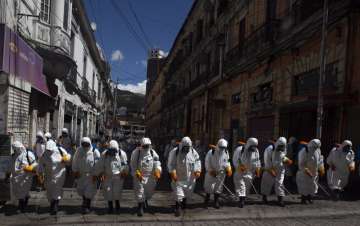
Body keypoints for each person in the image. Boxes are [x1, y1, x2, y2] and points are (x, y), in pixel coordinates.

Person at [167, 136, 201, 217]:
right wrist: (173, 172)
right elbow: (170, 164)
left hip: (190, 177)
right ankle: (177, 207)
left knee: (187, 192)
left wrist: (197, 170)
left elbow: (197, 161)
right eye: (185, 147)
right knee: (178, 194)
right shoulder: (175, 152)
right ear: (182, 145)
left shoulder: (193, 152)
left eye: (188, 147)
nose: (187, 149)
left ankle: (184, 204)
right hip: (178, 177)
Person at [37, 140, 71, 215]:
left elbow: (68, 156)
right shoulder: (45, 154)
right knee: (49, 190)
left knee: (57, 189)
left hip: (59, 174)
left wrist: (66, 158)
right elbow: (41, 164)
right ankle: (52, 202)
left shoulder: (60, 150)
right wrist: (40, 174)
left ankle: (55, 205)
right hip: (48, 175)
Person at [94, 140, 128, 214]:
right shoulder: (104, 154)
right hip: (107, 176)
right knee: (108, 192)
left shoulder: (122, 154)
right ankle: (110, 207)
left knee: (117, 191)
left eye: (114, 150)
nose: (112, 152)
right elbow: (100, 165)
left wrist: (124, 172)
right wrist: (100, 173)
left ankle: (117, 205)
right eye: (111, 150)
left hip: (118, 177)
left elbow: (125, 164)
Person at [130, 137, 161, 217]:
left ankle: (145, 201)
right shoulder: (137, 152)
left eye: (147, 145)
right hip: (139, 176)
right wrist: (136, 172)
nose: (146, 147)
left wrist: (157, 170)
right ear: (141, 145)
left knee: (149, 192)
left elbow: (157, 162)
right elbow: (133, 164)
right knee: (140, 192)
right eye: (144, 146)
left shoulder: (152, 152)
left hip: (150, 177)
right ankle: (140, 207)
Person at [261, 137, 293, 207]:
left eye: (283, 146)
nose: (281, 148)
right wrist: (270, 169)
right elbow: (267, 159)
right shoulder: (270, 148)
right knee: (266, 183)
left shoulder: (284, 148)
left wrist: (286, 160)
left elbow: (282, 156)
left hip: (280, 169)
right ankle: (264, 197)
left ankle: (280, 199)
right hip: (270, 169)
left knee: (280, 184)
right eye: (280, 146)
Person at [72, 137, 101, 214]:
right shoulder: (79, 150)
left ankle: (87, 206)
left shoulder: (95, 151)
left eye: (86, 144)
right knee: (81, 190)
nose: (85, 146)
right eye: (83, 144)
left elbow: (98, 164)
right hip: (81, 175)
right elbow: (75, 160)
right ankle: (84, 200)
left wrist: (96, 174)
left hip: (91, 175)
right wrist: (75, 171)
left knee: (89, 191)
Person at [232, 137, 261, 208]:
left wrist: (258, 169)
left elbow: (257, 161)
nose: (254, 148)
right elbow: (235, 159)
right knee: (241, 186)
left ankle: (242, 199)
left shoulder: (256, 151)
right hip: (240, 173)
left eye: (255, 146)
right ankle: (241, 201)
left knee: (247, 188)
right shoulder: (240, 150)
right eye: (252, 146)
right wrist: (239, 167)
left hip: (250, 173)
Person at [203, 139, 232, 209]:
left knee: (218, 188)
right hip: (211, 173)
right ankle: (206, 201)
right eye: (221, 147)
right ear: (218, 145)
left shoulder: (226, 152)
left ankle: (216, 201)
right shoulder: (211, 152)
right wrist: (210, 171)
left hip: (221, 173)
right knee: (209, 187)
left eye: (224, 147)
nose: (222, 149)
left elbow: (227, 161)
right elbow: (207, 162)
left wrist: (229, 168)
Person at [9, 141, 37, 213]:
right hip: (16, 177)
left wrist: (29, 168)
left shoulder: (28, 154)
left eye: (17, 148)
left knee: (22, 191)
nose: (16, 150)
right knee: (19, 191)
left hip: (26, 176)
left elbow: (35, 164)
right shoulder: (13, 156)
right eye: (14, 149)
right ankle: (25, 200)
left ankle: (21, 207)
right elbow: (11, 166)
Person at [296, 139, 325, 204]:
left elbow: (320, 159)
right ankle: (303, 199)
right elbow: (301, 164)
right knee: (304, 186)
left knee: (312, 185)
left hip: (314, 171)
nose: (316, 148)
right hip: (305, 173)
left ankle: (309, 198)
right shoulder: (304, 151)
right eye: (315, 147)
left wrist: (322, 168)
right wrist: (307, 171)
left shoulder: (317, 150)